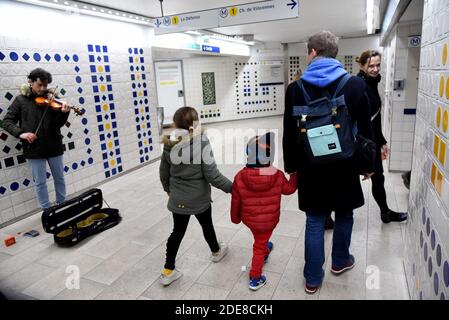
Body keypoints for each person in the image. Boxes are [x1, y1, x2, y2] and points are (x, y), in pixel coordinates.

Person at [283, 31, 374, 294]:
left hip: (310, 166)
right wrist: (368, 165)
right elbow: (366, 130)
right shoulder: (355, 85)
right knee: (345, 213)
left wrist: (291, 167)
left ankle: (312, 277)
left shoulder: (295, 90)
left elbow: (290, 133)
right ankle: (340, 260)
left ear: (312, 52)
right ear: (334, 53)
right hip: (345, 164)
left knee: (314, 220)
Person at [159, 106, 232, 286]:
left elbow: (163, 172)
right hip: (199, 197)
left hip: (178, 198)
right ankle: (216, 252)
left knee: (177, 231)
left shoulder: (169, 143)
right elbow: (212, 175)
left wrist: (168, 190)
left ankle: (168, 271)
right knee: (207, 225)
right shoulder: (202, 142)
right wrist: (233, 188)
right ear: (195, 123)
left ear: (176, 123)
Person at [230, 132, 297, 290]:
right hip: (269, 220)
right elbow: (289, 189)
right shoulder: (276, 174)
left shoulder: (240, 176)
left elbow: (236, 200)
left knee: (260, 238)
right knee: (259, 245)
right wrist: (295, 176)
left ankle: (265, 247)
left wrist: (235, 218)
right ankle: (255, 277)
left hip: (251, 220)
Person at [2, 68, 70, 210]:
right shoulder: (20, 100)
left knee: (59, 178)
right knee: (40, 182)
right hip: (33, 147)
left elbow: (58, 124)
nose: (43, 88)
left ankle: (62, 205)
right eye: (39, 85)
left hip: (54, 145)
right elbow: (7, 121)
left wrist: (64, 113)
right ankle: (47, 210)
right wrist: (21, 134)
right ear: (31, 82)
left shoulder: (51, 99)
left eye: (45, 85)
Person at [356, 50, 408, 223]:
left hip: (371, 141)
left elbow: (375, 118)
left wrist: (382, 141)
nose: (375, 69)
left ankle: (385, 212)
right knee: (345, 180)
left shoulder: (372, 83)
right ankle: (325, 216)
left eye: (378, 65)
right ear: (361, 66)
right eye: (371, 65)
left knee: (378, 177)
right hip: (361, 143)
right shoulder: (358, 85)